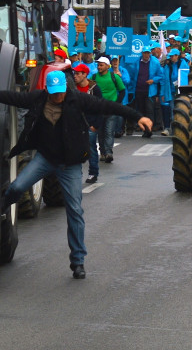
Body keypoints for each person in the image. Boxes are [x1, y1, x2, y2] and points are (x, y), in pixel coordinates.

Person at [0, 70, 152, 279]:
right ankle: (2, 208)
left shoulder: (77, 99)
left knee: (75, 211)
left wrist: (139, 116)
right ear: (47, 89)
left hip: (69, 164)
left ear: (66, 88)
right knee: (16, 187)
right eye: (53, 93)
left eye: (60, 92)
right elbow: (11, 97)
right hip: (45, 158)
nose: (57, 97)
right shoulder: (37, 99)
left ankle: (78, 261)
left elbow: (108, 106)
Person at [90, 56, 126, 163]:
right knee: (100, 132)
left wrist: (116, 104)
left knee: (109, 131)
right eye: (98, 65)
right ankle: (103, 152)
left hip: (110, 109)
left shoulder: (114, 77)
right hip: (99, 110)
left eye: (101, 65)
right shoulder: (94, 77)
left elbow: (122, 90)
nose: (99, 67)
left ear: (107, 66)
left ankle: (109, 152)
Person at [72, 63, 103, 183]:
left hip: (90, 124)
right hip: (76, 124)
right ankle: (76, 173)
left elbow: (100, 108)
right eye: (75, 73)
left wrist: (95, 126)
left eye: (78, 73)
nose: (75, 76)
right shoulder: (72, 88)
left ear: (85, 75)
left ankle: (93, 172)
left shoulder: (95, 89)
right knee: (75, 149)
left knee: (91, 148)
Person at [132, 45, 164, 138]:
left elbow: (161, 76)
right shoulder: (137, 62)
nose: (146, 55)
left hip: (150, 91)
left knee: (149, 111)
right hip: (139, 90)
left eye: (148, 53)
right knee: (141, 111)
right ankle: (144, 129)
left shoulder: (155, 62)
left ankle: (149, 129)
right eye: (145, 53)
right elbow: (134, 75)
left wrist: (153, 80)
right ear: (142, 53)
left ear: (150, 53)